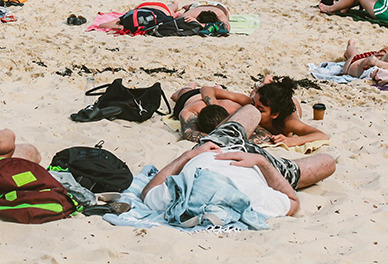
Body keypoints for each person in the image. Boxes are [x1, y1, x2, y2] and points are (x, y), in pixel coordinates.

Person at [141, 105, 335, 217]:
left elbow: (148, 191)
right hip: (256, 167)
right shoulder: (251, 198)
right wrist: (261, 161)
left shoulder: (178, 196)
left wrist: (190, 155)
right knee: (328, 162)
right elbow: (293, 201)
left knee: (252, 110)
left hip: (215, 149)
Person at [196, 78, 329, 148]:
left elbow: (322, 135)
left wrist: (292, 140)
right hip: (270, 101)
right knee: (255, 94)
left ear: (274, 114)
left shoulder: (288, 123)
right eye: (254, 104)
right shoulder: (252, 103)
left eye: (260, 109)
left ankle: (268, 81)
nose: (254, 109)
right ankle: (266, 82)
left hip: (290, 104)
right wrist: (214, 106)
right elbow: (207, 89)